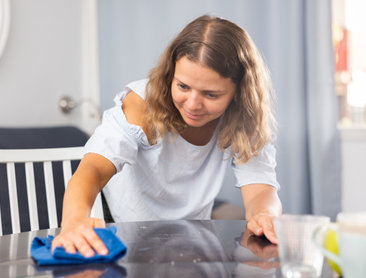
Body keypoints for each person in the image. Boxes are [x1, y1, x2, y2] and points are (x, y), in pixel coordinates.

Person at [52, 14, 282, 257]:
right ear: (171, 74)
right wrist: (74, 220)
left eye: (211, 94)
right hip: (126, 231)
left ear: (239, 92)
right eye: (182, 86)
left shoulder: (244, 117)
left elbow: (260, 191)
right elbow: (93, 169)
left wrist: (264, 216)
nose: (193, 104)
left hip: (192, 239)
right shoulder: (142, 105)